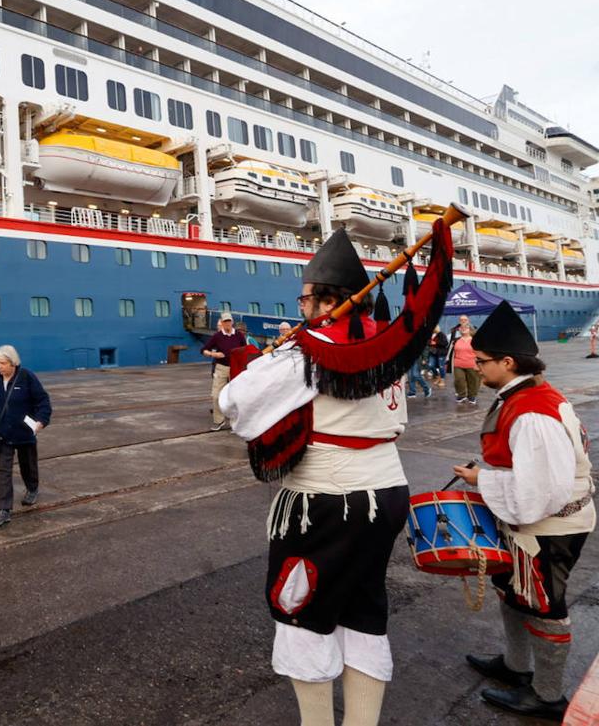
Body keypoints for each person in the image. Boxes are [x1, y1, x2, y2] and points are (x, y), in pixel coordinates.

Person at [219, 229, 409, 726]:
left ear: (326, 299)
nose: (300, 306)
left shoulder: (306, 351)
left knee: (302, 609)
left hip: (325, 501)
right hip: (386, 492)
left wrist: (256, 362)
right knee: (363, 607)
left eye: (305, 297)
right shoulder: (389, 347)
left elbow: (234, 405)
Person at [453, 300, 595, 721]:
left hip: (550, 524)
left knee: (545, 605)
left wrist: (483, 481)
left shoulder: (533, 412)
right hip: (535, 519)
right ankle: (517, 668)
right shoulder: (523, 395)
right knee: (515, 593)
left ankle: (547, 696)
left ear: (508, 361)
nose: (476, 367)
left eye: (482, 361)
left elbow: (539, 492)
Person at [0, 345, 51, 528]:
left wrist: (41, 421)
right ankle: (4, 510)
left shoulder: (26, 377)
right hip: (2, 433)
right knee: (4, 471)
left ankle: (32, 488)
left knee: (28, 464)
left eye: (3, 363)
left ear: (13, 363)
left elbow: (42, 401)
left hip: (24, 432)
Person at [201, 312, 247, 431]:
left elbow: (245, 350)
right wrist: (213, 354)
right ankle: (219, 421)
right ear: (221, 323)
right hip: (221, 368)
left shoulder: (239, 335)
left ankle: (235, 423)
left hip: (236, 368)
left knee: (235, 396)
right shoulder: (217, 336)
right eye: (225, 321)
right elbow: (204, 350)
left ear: (232, 322)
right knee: (216, 395)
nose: (227, 324)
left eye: (229, 321)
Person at [452, 325, 481, 406]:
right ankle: (461, 395)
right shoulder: (456, 340)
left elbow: (479, 352)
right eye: (461, 328)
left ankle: (472, 396)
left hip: (472, 364)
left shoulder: (475, 340)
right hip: (458, 363)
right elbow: (451, 352)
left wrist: (479, 363)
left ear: (470, 330)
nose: (463, 329)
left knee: (473, 381)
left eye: (466, 328)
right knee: (458, 380)